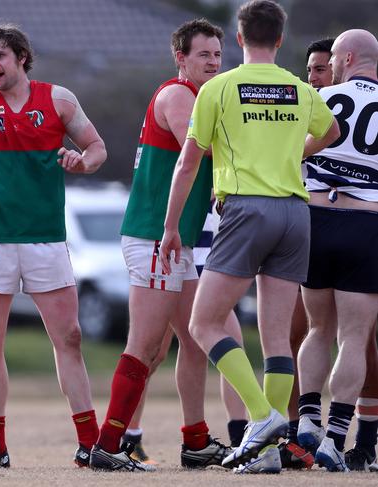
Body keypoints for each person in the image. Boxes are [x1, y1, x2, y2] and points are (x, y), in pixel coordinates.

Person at [160, 0, 340, 475]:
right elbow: (333, 130)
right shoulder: (299, 88)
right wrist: (295, 151)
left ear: (238, 39)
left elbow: (188, 162)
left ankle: (261, 418)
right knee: (276, 335)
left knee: (203, 324)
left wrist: (171, 226)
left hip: (245, 209)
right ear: (280, 40)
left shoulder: (218, 87)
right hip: (295, 213)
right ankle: (266, 456)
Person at [0, 24, 106, 469]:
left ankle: (90, 444)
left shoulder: (59, 100)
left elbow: (97, 149)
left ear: (21, 57)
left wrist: (81, 161)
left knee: (69, 337)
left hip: (45, 239)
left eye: (0, 56)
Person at [89, 18, 244, 472]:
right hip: (157, 237)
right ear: (181, 58)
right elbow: (200, 150)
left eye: (218, 55)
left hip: (179, 243)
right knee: (145, 345)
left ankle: (195, 442)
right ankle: (108, 445)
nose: (214, 62)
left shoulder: (201, 97)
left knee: (197, 341)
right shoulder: (179, 96)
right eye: (204, 55)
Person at [296, 29, 378, 472]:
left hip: (315, 217)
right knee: (354, 336)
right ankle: (335, 438)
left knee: (317, 328)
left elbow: (295, 151)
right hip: (366, 220)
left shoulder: (322, 97)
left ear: (346, 58)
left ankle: (308, 416)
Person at [122, 206, 249, 467]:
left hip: (203, 261)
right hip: (180, 253)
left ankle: (237, 437)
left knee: (213, 344)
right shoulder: (191, 169)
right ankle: (127, 437)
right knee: (152, 351)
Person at [277, 37, 337, 472]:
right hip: (309, 229)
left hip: (356, 231)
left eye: (322, 69)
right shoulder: (300, 112)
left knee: (360, 339)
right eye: (311, 70)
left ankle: (360, 436)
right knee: (295, 331)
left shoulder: (347, 116)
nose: (314, 77)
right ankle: (297, 431)